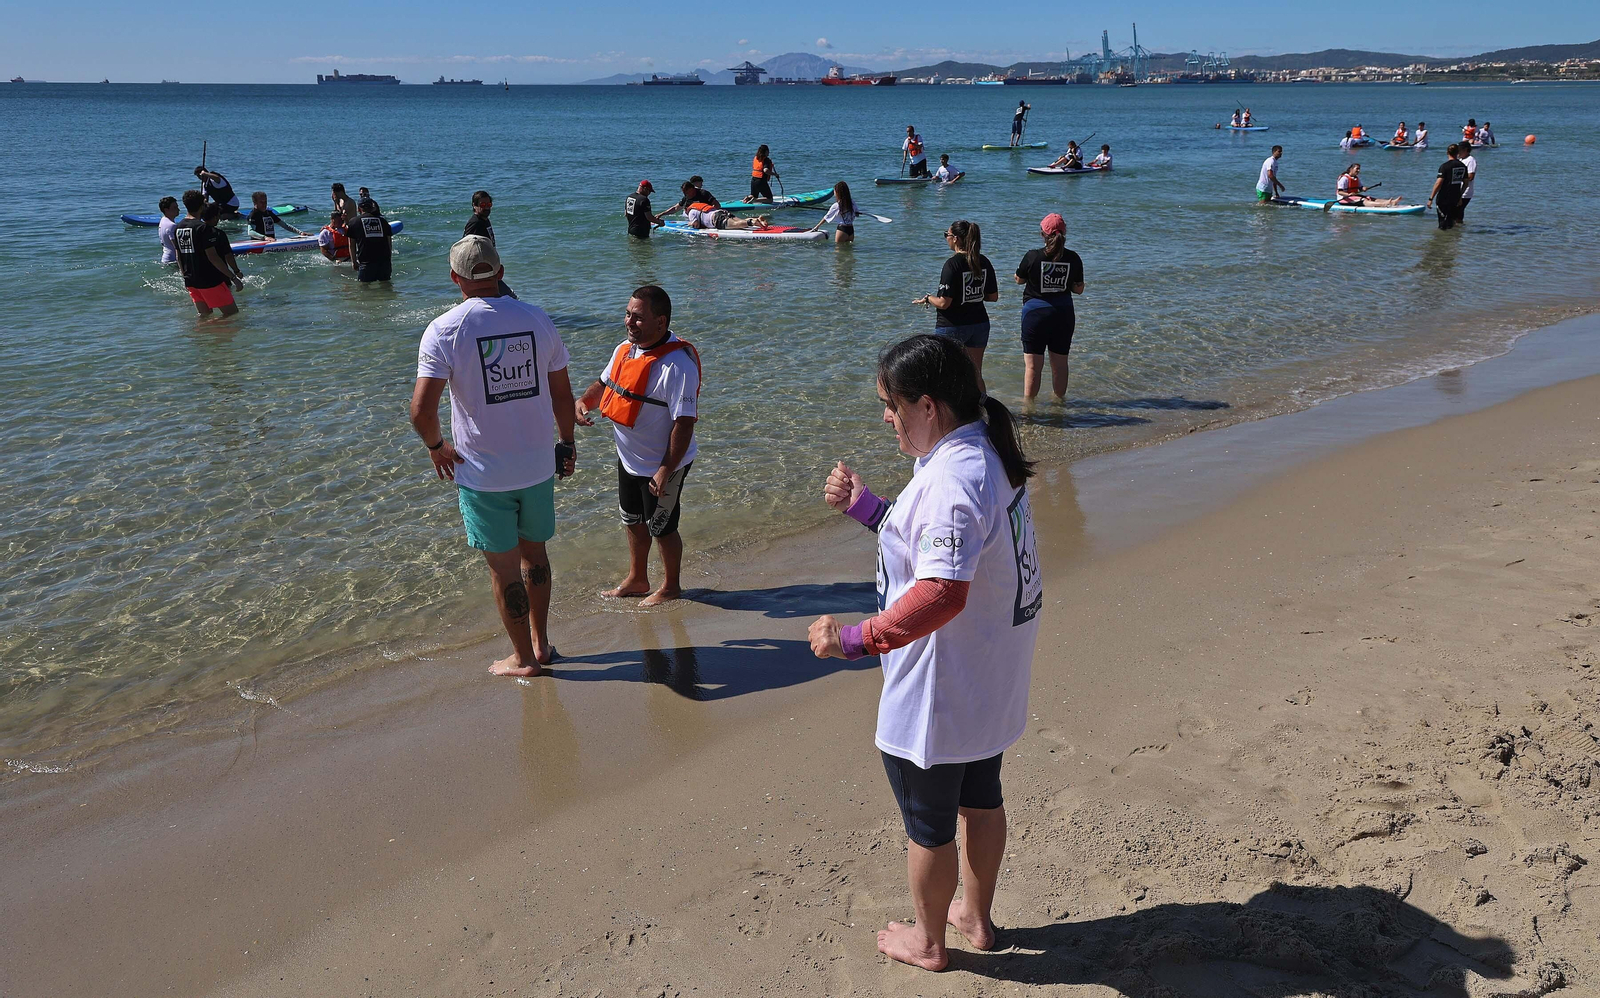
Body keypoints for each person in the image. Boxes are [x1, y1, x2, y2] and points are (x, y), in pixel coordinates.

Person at [806, 333, 1041, 973]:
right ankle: (975, 917)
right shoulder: (981, 449)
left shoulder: (951, 479)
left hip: (944, 683)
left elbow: (941, 591)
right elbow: (936, 543)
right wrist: (866, 508)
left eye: (893, 404)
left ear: (929, 406)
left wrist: (853, 640)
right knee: (982, 796)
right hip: (987, 669)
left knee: (929, 823)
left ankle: (931, 941)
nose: (887, 417)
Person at [410, 235, 576, 677]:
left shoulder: (444, 329)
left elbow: (421, 411)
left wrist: (436, 447)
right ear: (500, 272)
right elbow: (563, 394)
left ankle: (523, 660)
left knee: (504, 569)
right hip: (537, 466)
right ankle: (541, 645)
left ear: (455, 278)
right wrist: (566, 443)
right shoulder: (537, 318)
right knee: (535, 556)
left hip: (483, 474)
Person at [574, 285, 700, 606]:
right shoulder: (625, 350)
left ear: (661, 321)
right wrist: (584, 402)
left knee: (662, 527)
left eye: (638, 317)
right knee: (631, 518)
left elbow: (684, 424)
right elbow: (604, 385)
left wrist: (665, 470)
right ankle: (637, 578)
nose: (629, 322)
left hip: (663, 464)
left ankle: (670, 586)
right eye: (628, 314)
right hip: (629, 458)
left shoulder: (677, 366)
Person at [914, 220, 997, 391]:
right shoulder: (983, 261)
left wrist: (928, 298)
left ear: (956, 239)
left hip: (952, 326)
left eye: (947, 235)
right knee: (975, 374)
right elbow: (992, 297)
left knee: (946, 376)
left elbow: (944, 303)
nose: (946, 238)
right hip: (979, 324)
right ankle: (982, 406)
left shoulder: (952, 264)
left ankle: (953, 409)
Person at [1014, 213, 1084, 399]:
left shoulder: (1032, 256)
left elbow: (1019, 280)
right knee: (1060, 366)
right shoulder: (1073, 258)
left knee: (1033, 367)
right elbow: (1079, 289)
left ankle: (1028, 410)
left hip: (1035, 314)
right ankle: (1059, 406)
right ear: (1064, 233)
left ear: (1043, 234)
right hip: (1063, 314)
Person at [174, 189, 242, 316]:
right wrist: (233, 277)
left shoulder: (178, 227)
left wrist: (185, 276)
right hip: (209, 280)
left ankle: (201, 329)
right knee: (232, 314)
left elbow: (178, 256)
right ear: (201, 206)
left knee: (204, 315)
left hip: (190, 280)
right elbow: (213, 257)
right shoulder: (203, 228)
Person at [345, 198, 394, 282]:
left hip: (366, 263)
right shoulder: (383, 221)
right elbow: (389, 243)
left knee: (364, 288)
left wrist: (354, 262)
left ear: (359, 209)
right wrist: (389, 260)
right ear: (372, 208)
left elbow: (351, 244)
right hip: (384, 263)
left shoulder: (354, 222)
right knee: (386, 286)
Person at [680, 184, 769, 230]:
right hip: (721, 212)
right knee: (740, 221)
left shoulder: (691, 213)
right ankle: (756, 219)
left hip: (716, 219)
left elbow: (696, 225)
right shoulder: (698, 207)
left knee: (736, 224)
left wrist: (690, 223)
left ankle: (753, 222)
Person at [201, 204, 245, 289]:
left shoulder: (197, 232)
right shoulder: (219, 234)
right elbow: (228, 256)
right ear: (215, 217)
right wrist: (236, 271)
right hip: (220, 275)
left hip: (201, 276)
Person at [1426, 144, 1468, 231]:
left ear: (1447, 153)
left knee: (1442, 224)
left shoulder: (1444, 166)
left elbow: (1438, 183)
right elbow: (1466, 183)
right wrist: (1460, 196)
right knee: (1450, 222)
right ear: (1457, 153)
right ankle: (1451, 238)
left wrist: (1431, 198)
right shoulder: (1463, 166)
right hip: (1455, 198)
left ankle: (1442, 238)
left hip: (1444, 198)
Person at [1335, 164, 1400, 207]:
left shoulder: (1356, 178)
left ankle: (1392, 202)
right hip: (1343, 199)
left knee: (1369, 198)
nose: (1358, 170)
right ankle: (1384, 204)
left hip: (1353, 197)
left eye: (1359, 169)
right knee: (1363, 200)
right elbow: (1340, 192)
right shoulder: (1344, 178)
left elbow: (1360, 188)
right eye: (1357, 169)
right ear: (1351, 169)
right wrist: (1348, 194)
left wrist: (1363, 188)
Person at [157, 196, 180, 264]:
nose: (178, 209)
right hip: (173, 260)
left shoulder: (163, 220)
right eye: (175, 208)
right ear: (166, 210)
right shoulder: (172, 225)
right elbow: (177, 247)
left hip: (166, 258)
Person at [1458, 145, 1478, 219]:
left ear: (1465, 150)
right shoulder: (1461, 160)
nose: (1458, 152)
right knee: (1456, 212)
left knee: (1458, 211)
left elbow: (1471, 177)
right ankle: (1459, 225)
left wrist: (1457, 178)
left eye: (1459, 150)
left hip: (1465, 192)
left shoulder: (1471, 160)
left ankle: (1459, 224)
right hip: (1458, 190)